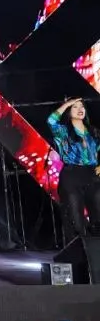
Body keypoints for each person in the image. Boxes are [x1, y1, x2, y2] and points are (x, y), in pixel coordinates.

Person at [47, 98, 100, 239]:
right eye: (75, 107)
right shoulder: (63, 131)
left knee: (98, 214)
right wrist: (67, 103)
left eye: (82, 106)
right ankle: (80, 248)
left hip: (92, 174)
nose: (80, 109)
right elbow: (51, 121)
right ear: (68, 111)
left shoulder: (93, 131)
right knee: (76, 218)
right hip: (72, 175)